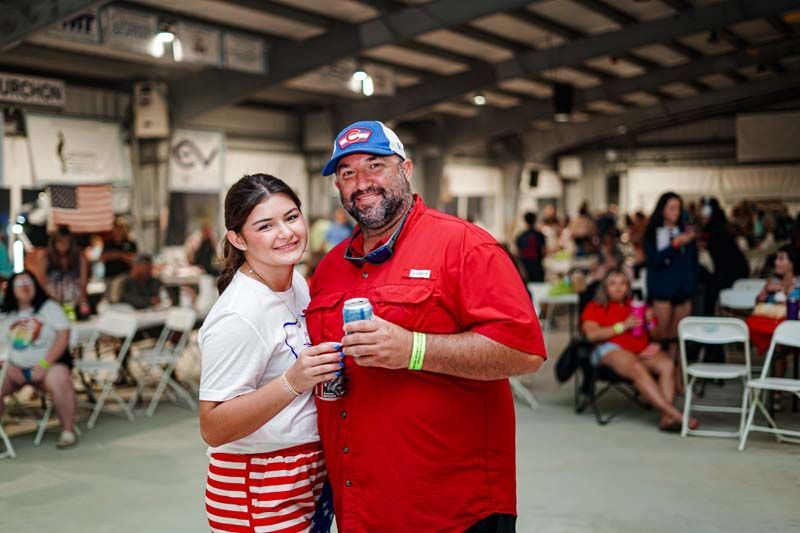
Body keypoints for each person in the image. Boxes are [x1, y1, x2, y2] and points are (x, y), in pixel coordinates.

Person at [306, 120, 546, 531]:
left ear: (407, 169)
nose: (362, 182)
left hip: (453, 510)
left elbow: (523, 351)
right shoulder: (329, 270)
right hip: (361, 508)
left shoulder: (465, 246)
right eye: (348, 173)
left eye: (375, 165)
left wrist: (415, 349)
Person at [198, 174, 338, 533]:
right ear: (237, 238)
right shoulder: (239, 315)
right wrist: (293, 381)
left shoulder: (297, 284)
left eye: (291, 217)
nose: (287, 233)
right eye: (266, 225)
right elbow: (213, 426)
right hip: (259, 482)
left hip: (305, 473)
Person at [581, 269, 698, 431]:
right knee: (637, 367)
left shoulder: (637, 307)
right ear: (605, 287)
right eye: (613, 283)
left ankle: (667, 418)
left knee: (667, 365)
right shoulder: (595, 307)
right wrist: (623, 326)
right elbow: (591, 335)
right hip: (609, 349)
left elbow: (657, 335)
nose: (618, 288)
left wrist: (650, 322)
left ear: (628, 287)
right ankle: (676, 414)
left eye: (623, 283)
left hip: (639, 350)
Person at [0, 271, 77, 448]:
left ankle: (67, 431)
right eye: (20, 284)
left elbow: (63, 336)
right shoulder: (5, 314)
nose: (25, 287)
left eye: (29, 282)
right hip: (12, 369)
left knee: (61, 379)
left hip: (47, 366)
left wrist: (43, 364)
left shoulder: (49, 308)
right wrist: (8, 365)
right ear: (11, 289)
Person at [643, 192, 698, 383]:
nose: (676, 212)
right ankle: (659, 376)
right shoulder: (652, 232)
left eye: (678, 208)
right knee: (660, 335)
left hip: (683, 290)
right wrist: (674, 245)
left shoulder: (688, 232)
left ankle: (675, 378)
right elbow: (653, 261)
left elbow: (693, 262)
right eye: (672, 207)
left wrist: (691, 284)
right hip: (662, 289)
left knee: (677, 337)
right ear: (662, 210)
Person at [32, 226, 90, 318]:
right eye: (60, 242)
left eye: (66, 242)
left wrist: (82, 299)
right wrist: (50, 299)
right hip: (53, 300)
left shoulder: (79, 257)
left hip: (74, 301)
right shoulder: (46, 257)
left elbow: (83, 281)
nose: (64, 245)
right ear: (54, 243)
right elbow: (40, 282)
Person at [516, 211, 546, 282]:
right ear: (535, 221)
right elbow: (543, 251)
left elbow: (518, 254)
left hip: (525, 267)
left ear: (525, 221)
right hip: (537, 266)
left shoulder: (520, 236)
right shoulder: (539, 235)